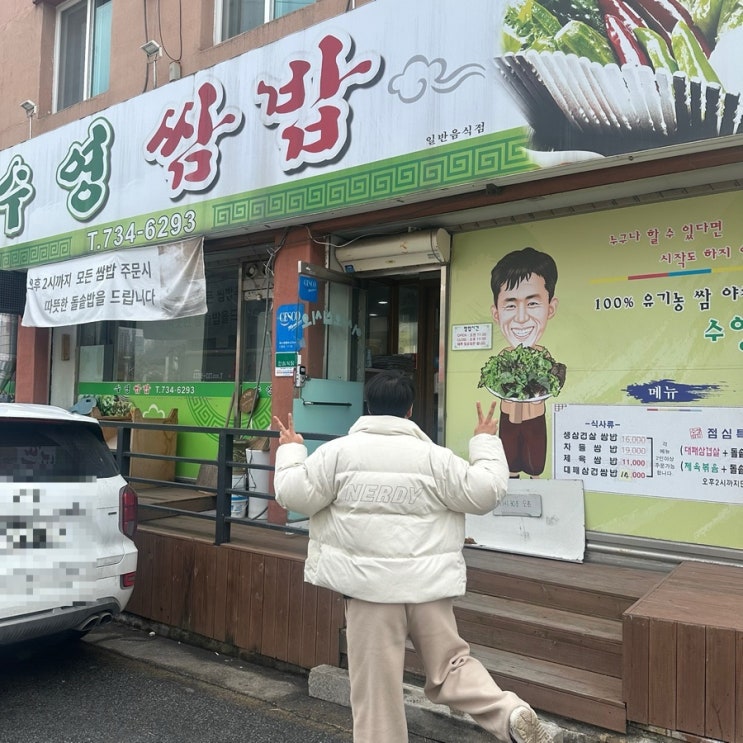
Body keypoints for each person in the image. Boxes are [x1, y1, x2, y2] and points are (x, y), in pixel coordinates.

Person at [273, 370, 553, 743]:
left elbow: (293, 494)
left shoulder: (337, 454)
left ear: (368, 407)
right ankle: (508, 713)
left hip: (369, 591)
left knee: (377, 693)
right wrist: (485, 441)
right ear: (409, 410)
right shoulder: (436, 458)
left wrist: (292, 449)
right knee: (451, 666)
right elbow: (485, 491)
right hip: (428, 586)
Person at [490, 247, 560, 478]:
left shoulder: (543, 356)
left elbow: (552, 383)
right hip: (508, 417)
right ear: (496, 313)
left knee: (535, 465)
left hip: (534, 418)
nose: (521, 318)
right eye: (510, 305)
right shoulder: (504, 356)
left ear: (550, 308)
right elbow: (495, 382)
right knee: (509, 464)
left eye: (532, 304)